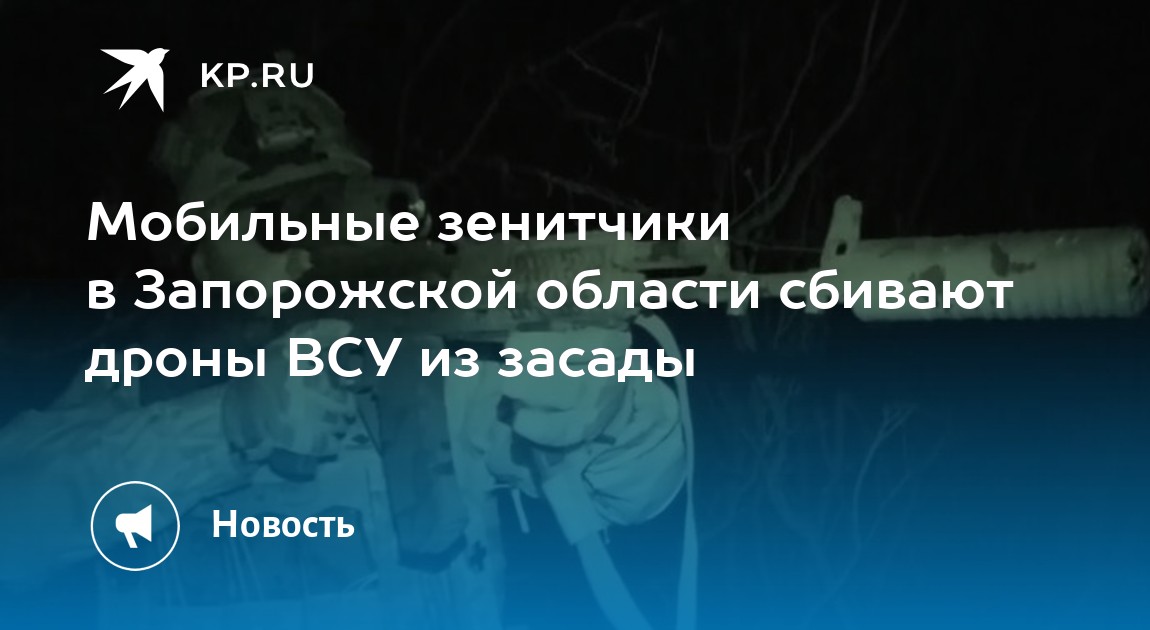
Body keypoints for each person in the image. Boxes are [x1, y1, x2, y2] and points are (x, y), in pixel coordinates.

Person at [0, 66, 694, 630]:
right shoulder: (138, 385)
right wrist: (228, 425)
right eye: (269, 224)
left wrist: (620, 412)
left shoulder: (422, 381)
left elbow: (625, 491)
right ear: (201, 257)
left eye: (328, 211)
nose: (307, 246)